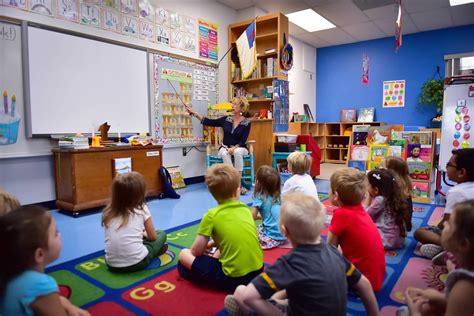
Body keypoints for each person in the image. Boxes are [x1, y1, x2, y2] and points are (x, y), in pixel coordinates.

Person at [224, 193, 380, 316]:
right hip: (314, 306)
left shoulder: (289, 263)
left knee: (240, 292)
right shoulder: (335, 253)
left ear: (284, 231)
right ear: (322, 226)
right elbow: (364, 284)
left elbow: (249, 297)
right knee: (288, 294)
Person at [177, 164, 263, 293]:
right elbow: (238, 235)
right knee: (220, 250)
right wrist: (212, 244)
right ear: (237, 190)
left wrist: (206, 246)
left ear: (212, 193)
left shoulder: (211, 215)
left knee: (184, 255)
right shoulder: (245, 209)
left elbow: (195, 252)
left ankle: (197, 275)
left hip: (233, 279)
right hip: (258, 272)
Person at [0, 206, 90, 316]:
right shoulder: (40, 284)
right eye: (56, 233)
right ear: (39, 254)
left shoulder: (9, 273)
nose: (60, 235)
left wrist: (64, 303)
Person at [403, 200, 474, 316]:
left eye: (450, 223)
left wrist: (415, 313)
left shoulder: (465, 287)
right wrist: (438, 297)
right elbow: (464, 305)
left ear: (463, 245)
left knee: (411, 312)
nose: (444, 224)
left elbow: (462, 300)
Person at [328, 167, 386, 292]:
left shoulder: (341, 214)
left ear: (336, 195)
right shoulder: (360, 210)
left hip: (360, 281)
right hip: (375, 277)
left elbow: (330, 249)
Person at [102, 171, 168, 272]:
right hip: (137, 262)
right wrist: (144, 234)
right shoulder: (142, 208)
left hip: (111, 264)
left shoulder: (108, 212)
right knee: (161, 234)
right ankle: (153, 252)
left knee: (135, 236)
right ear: (140, 193)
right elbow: (153, 237)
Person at [414, 148, 474, 259]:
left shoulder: (456, 192)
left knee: (419, 232)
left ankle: (449, 248)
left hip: (461, 237)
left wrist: (437, 228)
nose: (446, 167)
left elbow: (447, 222)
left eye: (449, 164)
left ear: (462, 172)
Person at [186, 96, 251, 193]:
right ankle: (231, 184)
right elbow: (208, 121)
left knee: (237, 152)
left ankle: (238, 185)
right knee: (225, 153)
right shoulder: (226, 119)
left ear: (242, 107)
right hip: (225, 147)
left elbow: (243, 140)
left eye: (235, 104)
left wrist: (234, 148)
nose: (232, 106)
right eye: (232, 103)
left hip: (240, 147)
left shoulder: (247, 122)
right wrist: (194, 113)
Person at [366, 169, 410, 250]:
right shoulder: (392, 196)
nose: (366, 187)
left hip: (385, 241)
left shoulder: (380, 199)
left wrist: (367, 199)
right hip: (399, 240)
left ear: (376, 190)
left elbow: (365, 215)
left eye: (368, 184)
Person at [251, 165, 286, 249]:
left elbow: (252, 217)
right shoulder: (279, 196)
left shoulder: (260, 197)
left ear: (258, 182)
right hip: (284, 236)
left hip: (270, 238)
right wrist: (262, 217)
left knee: (249, 232)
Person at [384, 156, 413, 232]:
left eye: (385, 167)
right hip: (404, 223)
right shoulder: (405, 180)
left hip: (395, 224)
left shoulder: (393, 183)